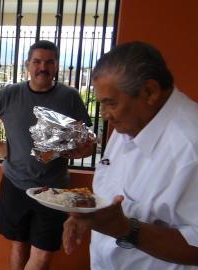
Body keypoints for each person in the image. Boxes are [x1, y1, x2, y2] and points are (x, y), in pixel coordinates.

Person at [62, 41, 198, 269]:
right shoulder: (129, 123)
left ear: (150, 92)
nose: (104, 115)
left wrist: (125, 229)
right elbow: (111, 194)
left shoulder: (191, 146)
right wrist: (87, 216)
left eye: (110, 103)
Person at [0, 40, 94, 270]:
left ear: (56, 66)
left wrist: (81, 149)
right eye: (36, 61)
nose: (42, 67)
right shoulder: (10, 93)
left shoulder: (70, 97)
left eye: (49, 62)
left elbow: (88, 141)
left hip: (54, 190)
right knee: (18, 244)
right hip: (15, 184)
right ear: (27, 65)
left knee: (43, 255)